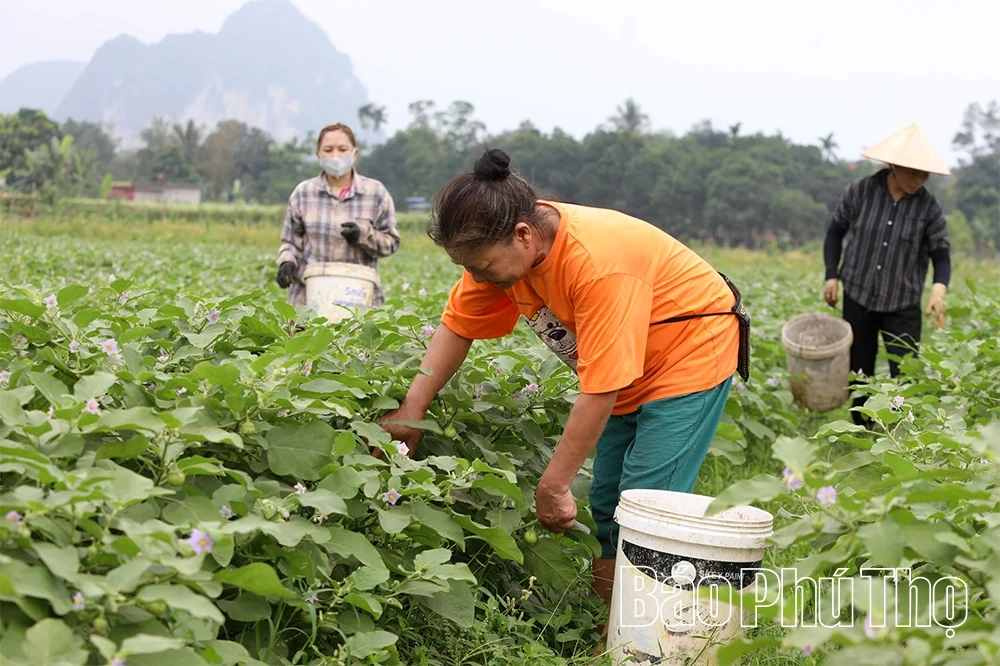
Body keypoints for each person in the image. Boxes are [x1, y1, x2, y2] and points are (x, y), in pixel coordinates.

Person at [379, 148, 743, 620]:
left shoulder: (596, 262)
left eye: (483, 266)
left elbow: (600, 389)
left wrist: (553, 485)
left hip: (689, 351)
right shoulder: (499, 249)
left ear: (523, 235)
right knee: (609, 502)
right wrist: (412, 410)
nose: (477, 277)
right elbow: (458, 326)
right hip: (626, 364)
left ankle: (647, 639)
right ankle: (610, 624)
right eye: (469, 268)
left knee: (648, 506)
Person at [822, 124, 952, 426]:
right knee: (860, 370)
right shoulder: (860, 192)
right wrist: (831, 275)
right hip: (858, 294)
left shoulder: (929, 208)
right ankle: (861, 431)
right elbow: (835, 232)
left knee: (905, 373)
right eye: (913, 173)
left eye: (924, 175)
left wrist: (939, 289)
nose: (919, 181)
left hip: (902, 301)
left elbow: (941, 254)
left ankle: (902, 435)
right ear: (894, 166)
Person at [276, 122, 400, 307]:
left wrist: (363, 235)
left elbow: (392, 241)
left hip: (358, 294)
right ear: (318, 154)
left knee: (357, 326)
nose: (335, 156)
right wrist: (287, 261)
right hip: (309, 293)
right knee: (308, 326)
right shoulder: (303, 193)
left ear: (354, 153)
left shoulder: (375, 193)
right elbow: (291, 241)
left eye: (342, 149)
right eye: (328, 150)